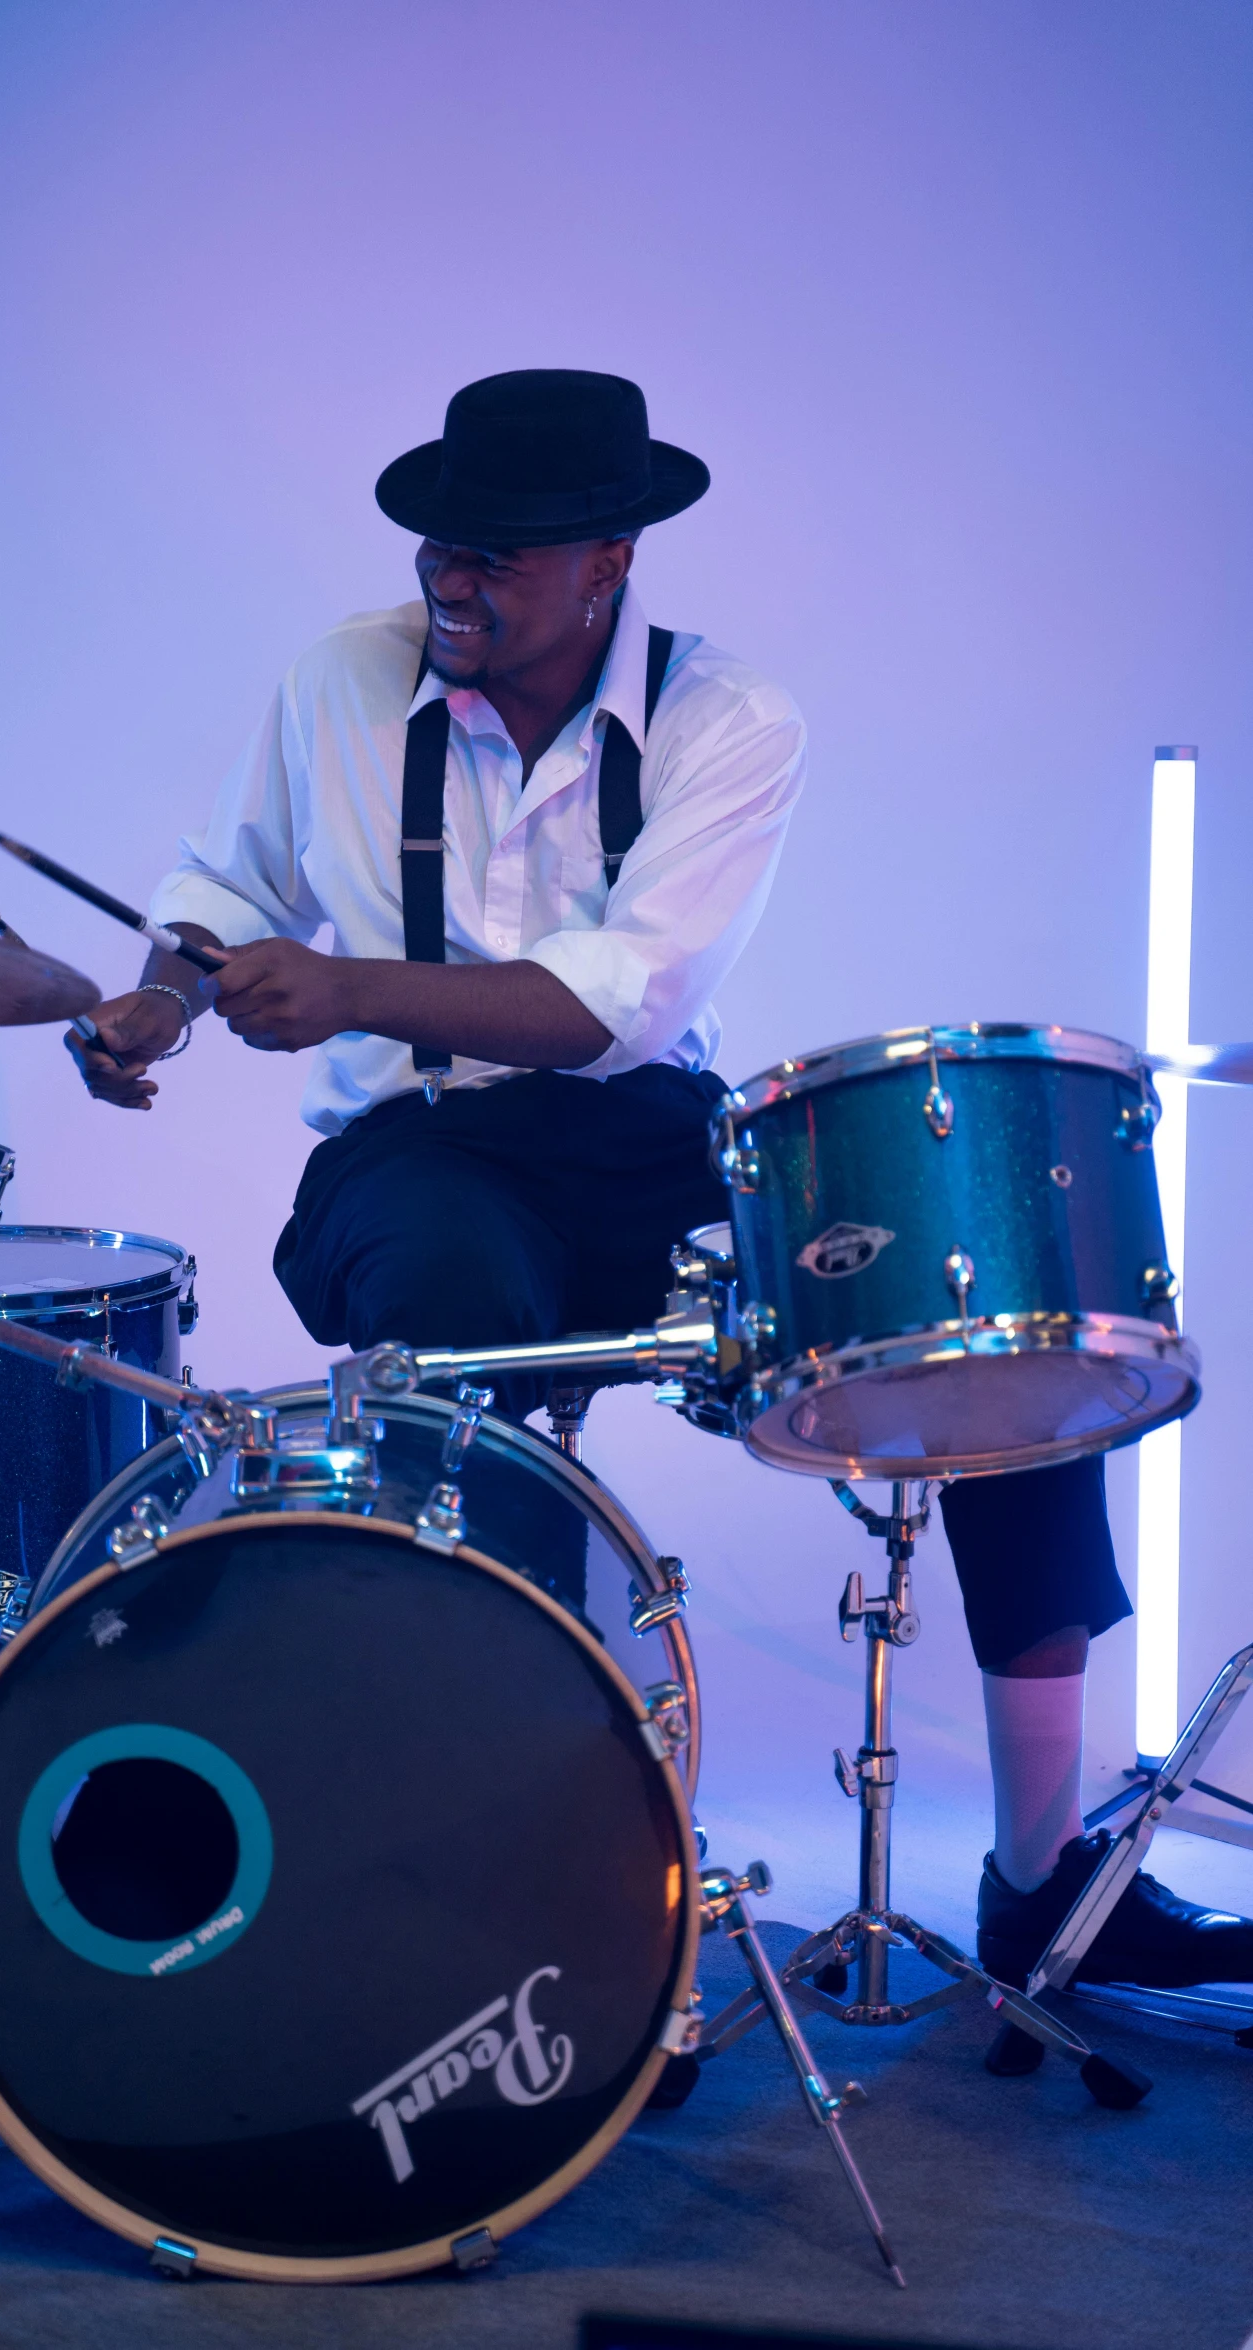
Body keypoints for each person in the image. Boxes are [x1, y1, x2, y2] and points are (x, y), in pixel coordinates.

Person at [70, 368, 1252, 1993]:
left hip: (645, 1134)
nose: (449, 583)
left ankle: (1046, 1881)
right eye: (437, 550)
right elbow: (222, 883)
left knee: (1005, 1346)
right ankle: (519, 1879)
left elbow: (608, 1000)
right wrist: (167, 993)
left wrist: (340, 986)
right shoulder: (338, 679)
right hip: (409, 1152)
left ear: (609, 560)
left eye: (494, 557)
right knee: (455, 1320)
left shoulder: (727, 719)